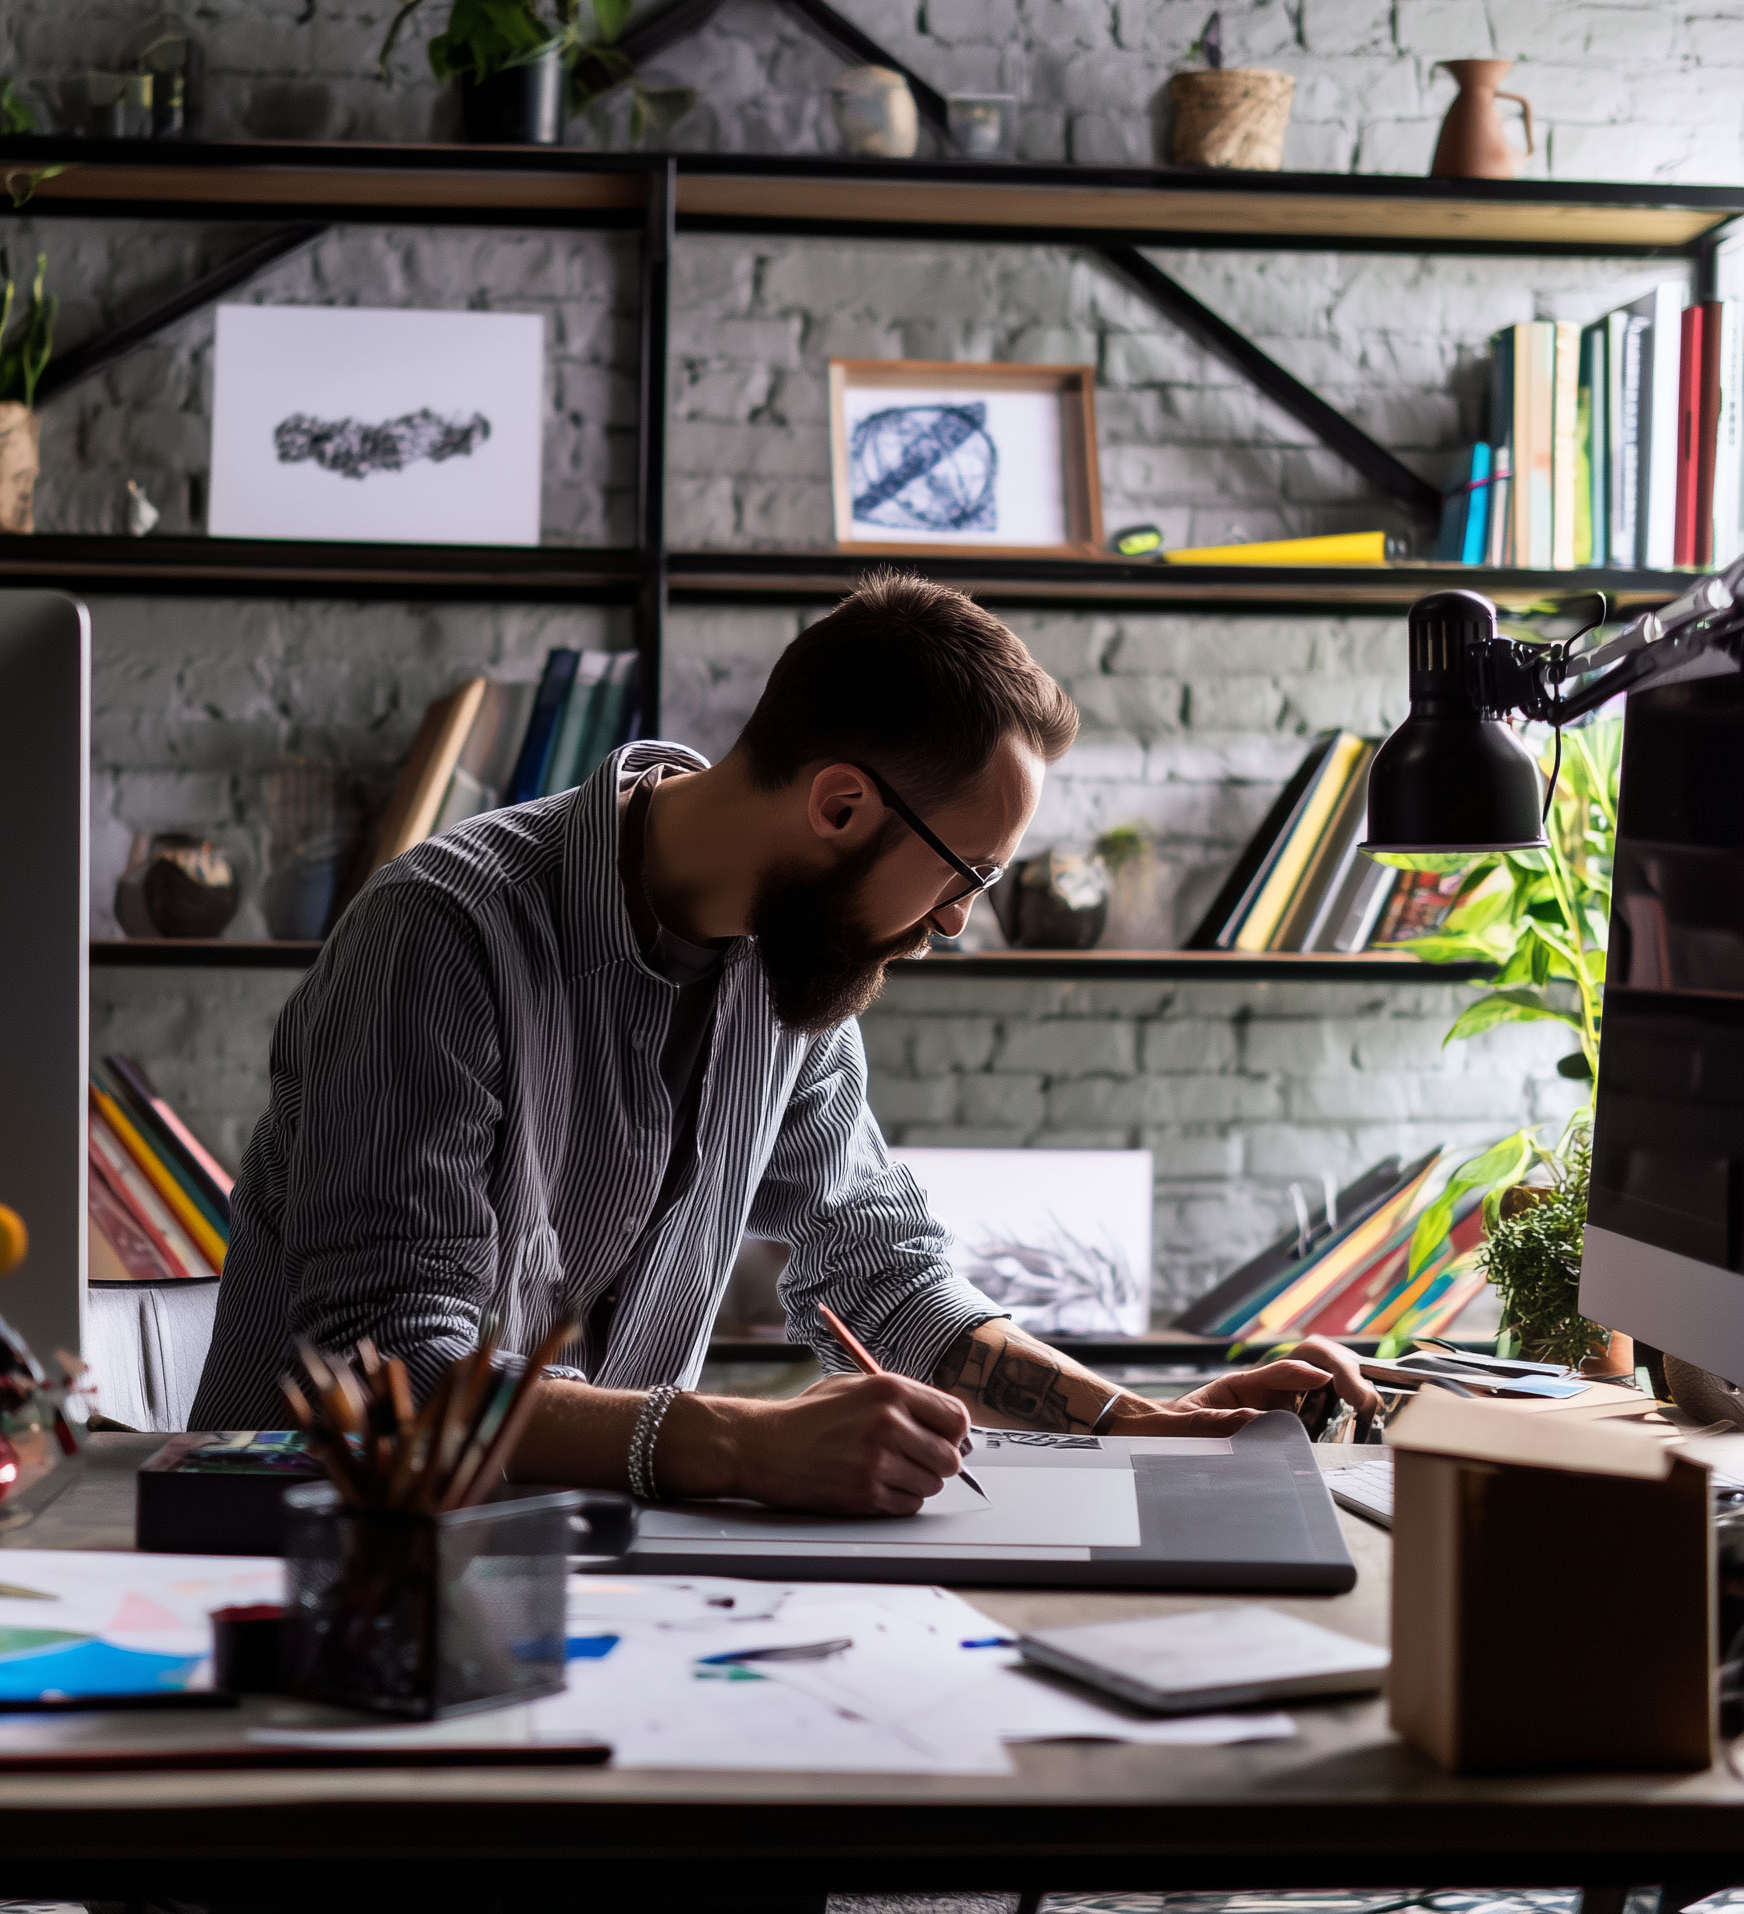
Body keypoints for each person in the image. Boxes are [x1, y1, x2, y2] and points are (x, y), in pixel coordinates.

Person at [190, 572, 1376, 1508]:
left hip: (583, 1566)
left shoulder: (789, 966)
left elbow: (881, 1271)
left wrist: (1140, 1421)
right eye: (964, 873)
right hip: (320, 1570)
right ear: (839, 804)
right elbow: (391, 1372)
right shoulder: (440, 935)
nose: (954, 921)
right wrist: (745, 1442)